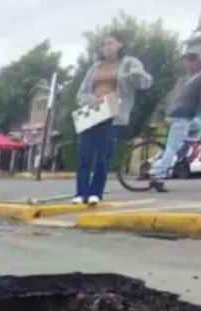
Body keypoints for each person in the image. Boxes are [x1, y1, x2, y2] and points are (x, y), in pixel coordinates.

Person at [72, 35, 153, 205]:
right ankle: (80, 193)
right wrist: (90, 98)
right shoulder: (95, 67)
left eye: (110, 43)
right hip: (93, 112)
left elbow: (145, 83)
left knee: (103, 156)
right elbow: (80, 94)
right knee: (84, 155)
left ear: (120, 45)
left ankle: (95, 193)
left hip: (113, 113)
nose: (106, 47)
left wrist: (135, 74)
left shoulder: (129, 63)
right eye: (104, 44)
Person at [152, 52, 201, 192]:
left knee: (197, 126)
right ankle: (159, 177)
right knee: (172, 147)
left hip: (183, 115)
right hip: (180, 115)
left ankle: (182, 155)